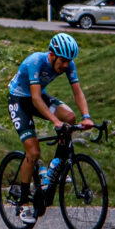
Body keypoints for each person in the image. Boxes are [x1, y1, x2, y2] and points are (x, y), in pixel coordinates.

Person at [7, 33, 89, 219]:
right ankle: (22, 204)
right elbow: (35, 99)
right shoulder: (34, 61)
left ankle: (55, 167)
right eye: (63, 61)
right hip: (20, 100)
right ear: (52, 55)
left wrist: (87, 116)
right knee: (33, 152)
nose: (66, 65)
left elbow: (77, 92)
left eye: (69, 61)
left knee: (69, 117)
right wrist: (54, 121)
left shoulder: (68, 63)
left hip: (38, 98)